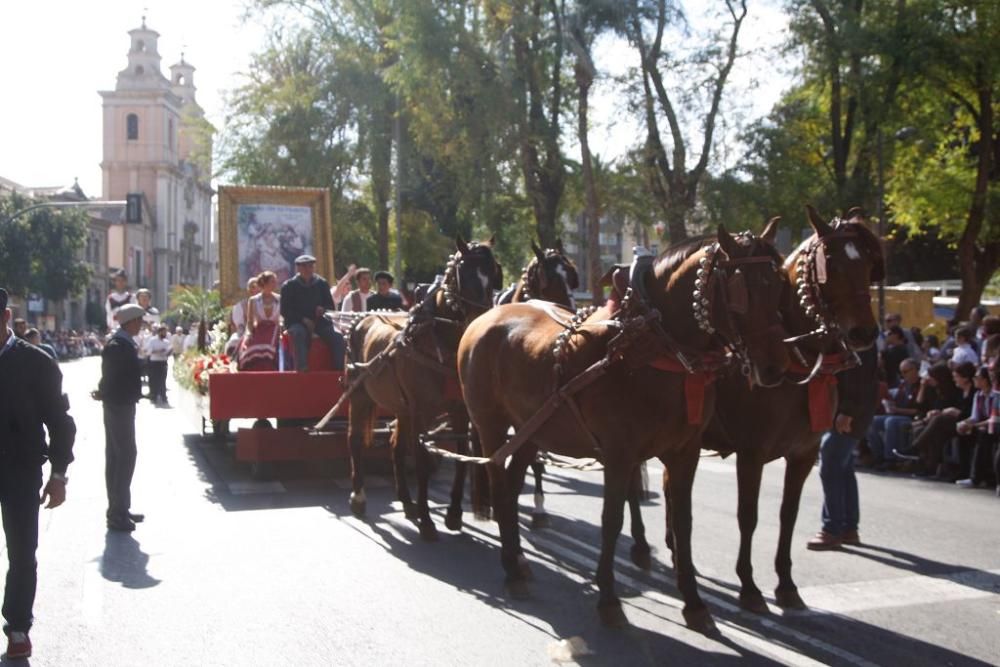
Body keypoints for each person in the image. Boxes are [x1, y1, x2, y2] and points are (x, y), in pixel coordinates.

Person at [0, 287, 76, 660]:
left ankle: (17, 627)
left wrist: (59, 474)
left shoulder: (36, 362)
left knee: (21, 552)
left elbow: (61, 423)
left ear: (6, 319)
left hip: (20, 469)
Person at [807, 344, 878, 550]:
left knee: (830, 461)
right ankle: (848, 528)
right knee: (843, 467)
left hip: (851, 409)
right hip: (845, 407)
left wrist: (848, 410)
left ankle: (832, 529)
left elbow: (861, 375)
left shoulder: (858, 333)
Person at [94, 304, 145, 532]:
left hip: (122, 404)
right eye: (139, 321)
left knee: (119, 457)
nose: (141, 325)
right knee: (123, 457)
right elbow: (110, 377)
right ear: (131, 322)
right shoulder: (118, 346)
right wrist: (103, 392)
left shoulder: (123, 344)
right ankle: (117, 513)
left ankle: (120, 508)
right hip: (119, 405)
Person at [281, 255, 344, 371]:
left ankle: (339, 371)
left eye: (310, 267)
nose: (308, 270)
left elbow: (330, 306)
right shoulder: (288, 286)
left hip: (319, 322)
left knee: (338, 337)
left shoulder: (321, 284)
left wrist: (323, 309)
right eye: (304, 267)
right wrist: (303, 320)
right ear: (298, 269)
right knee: (298, 333)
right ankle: (302, 369)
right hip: (297, 322)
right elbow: (285, 310)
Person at [867, 358, 921, 467]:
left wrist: (897, 410)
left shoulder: (921, 385)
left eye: (906, 372)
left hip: (912, 417)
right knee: (871, 420)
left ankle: (890, 459)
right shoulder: (903, 385)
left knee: (890, 421)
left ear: (916, 370)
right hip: (897, 414)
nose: (903, 375)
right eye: (901, 372)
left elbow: (918, 410)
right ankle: (878, 455)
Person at [239, 271, 281, 371]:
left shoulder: (280, 299)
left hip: (275, 329)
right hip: (259, 329)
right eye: (272, 282)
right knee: (248, 344)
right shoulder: (253, 300)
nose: (275, 284)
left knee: (273, 344)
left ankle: (272, 369)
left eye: (275, 282)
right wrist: (248, 334)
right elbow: (250, 321)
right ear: (264, 284)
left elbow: (283, 318)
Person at [227, 276, 260, 357]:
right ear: (248, 290)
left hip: (264, 332)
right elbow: (239, 325)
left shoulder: (266, 302)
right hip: (245, 332)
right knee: (234, 341)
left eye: (257, 287)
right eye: (252, 287)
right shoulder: (240, 306)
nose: (255, 289)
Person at [146, 325, 172, 406]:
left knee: (162, 380)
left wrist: (169, 352)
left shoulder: (166, 342)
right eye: (163, 332)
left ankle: (163, 396)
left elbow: (168, 352)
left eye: (165, 332)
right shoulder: (152, 341)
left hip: (163, 362)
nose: (165, 333)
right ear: (159, 332)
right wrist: (158, 351)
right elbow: (149, 352)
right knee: (154, 380)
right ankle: (153, 396)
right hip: (154, 363)